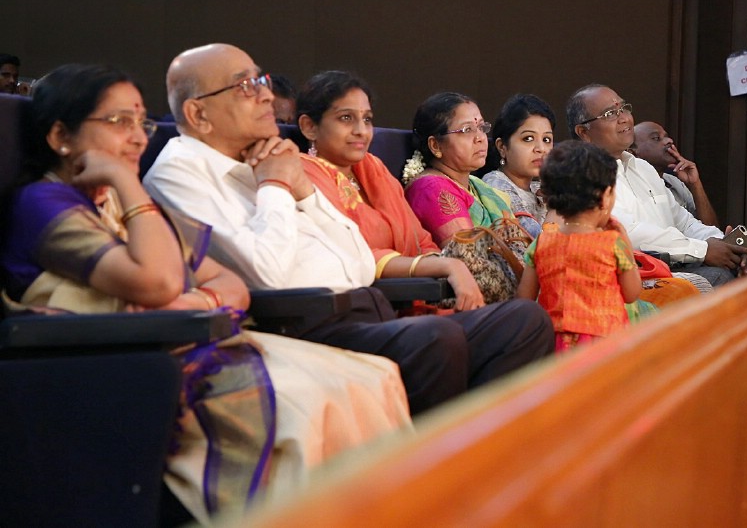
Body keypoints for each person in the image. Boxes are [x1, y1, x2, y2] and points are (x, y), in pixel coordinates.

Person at [0, 63, 410, 524]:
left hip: (187, 336)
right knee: (306, 405)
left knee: (372, 377)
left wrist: (186, 303)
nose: (137, 137)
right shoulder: (44, 202)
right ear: (61, 136)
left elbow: (228, 287)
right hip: (116, 363)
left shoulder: (127, 204)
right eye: (120, 122)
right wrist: (126, 182)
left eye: (141, 121)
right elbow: (156, 281)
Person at [144, 44, 553, 416]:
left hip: (365, 305)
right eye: (246, 86)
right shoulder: (183, 172)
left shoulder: (264, 161)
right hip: (303, 324)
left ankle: (472, 447)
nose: (267, 95)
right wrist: (276, 185)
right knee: (436, 338)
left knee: (524, 321)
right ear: (198, 114)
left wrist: (300, 190)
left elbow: (357, 258)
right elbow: (266, 273)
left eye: (262, 82)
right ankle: (435, 471)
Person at [294, 70, 484, 310]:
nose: (361, 130)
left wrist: (438, 265)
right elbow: (353, 255)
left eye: (367, 119)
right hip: (361, 307)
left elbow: (420, 239)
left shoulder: (374, 169)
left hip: (419, 297)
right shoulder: (303, 176)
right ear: (309, 126)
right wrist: (445, 266)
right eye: (346, 118)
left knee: (527, 316)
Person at [566, 83, 747, 288]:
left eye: (623, 108)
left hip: (676, 264)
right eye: (610, 113)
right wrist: (703, 250)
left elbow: (683, 222)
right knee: (719, 278)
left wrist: (723, 243)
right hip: (632, 276)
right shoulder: (583, 174)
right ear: (583, 132)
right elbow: (629, 233)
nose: (624, 118)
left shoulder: (643, 168)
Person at [517, 141, 649, 352]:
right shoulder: (612, 243)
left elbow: (525, 299)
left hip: (554, 344)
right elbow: (632, 293)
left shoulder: (541, 244)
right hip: (605, 344)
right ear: (606, 196)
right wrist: (625, 242)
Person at [404, 91, 521, 247]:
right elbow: (469, 255)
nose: (480, 137)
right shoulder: (432, 189)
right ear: (435, 145)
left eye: (481, 127)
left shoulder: (477, 186)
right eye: (467, 130)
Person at [481, 93, 555, 237]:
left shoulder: (540, 189)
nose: (541, 148)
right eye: (528, 138)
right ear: (502, 147)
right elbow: (533, 245)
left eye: (547, 139)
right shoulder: (496, 186)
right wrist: (556, 207)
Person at [632, 121, 719, 227]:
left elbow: (711, 229)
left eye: (667, 136)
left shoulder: (675, 183)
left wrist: (695, 184)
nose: (669, 141)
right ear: (633, 152)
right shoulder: (629, 188)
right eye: (656, 138)